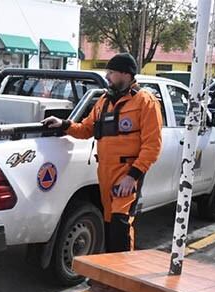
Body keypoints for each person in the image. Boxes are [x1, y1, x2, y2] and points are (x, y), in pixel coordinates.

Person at [42, 53, 162, 252]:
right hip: (105, 171)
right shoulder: (104, 102)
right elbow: (85, 129)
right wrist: (63, 124)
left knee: (120, 223)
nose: (107, 76)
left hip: (127, 173)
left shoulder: (145, 102)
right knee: (108, 224)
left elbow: (153, 145)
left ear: (126, 73)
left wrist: (132, 176)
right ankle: (108, 276)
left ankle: (122, 277)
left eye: (111, 72)